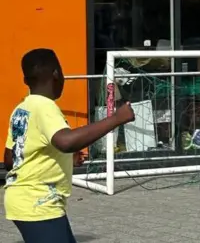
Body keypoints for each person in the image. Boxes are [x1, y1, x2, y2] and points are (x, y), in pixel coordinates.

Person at [3, 48, 135, 243]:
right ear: (57, 74)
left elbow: (10, 159)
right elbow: (66, 141)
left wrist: (64, 157)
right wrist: (116, 119)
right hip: (38, 205)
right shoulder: (45, 106)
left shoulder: (22, 109)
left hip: (24, 202)